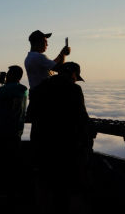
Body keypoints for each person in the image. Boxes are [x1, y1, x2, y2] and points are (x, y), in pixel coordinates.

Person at [27, 62, 92, 212]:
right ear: (72, 74)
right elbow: (82, 118)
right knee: (66, 189)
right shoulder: (74, 89)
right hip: (66, 147)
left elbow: (30, 114)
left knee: (45, 186)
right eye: (76, 77)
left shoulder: (40, 88)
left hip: (41, 145)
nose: (76, 80)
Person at [0, 65, 28, 199]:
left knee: (1, 164)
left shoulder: (8, 89)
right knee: (13, 164)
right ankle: (13, 193)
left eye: (9, 73)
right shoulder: (23, 89)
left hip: (3, 132)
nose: (6, 75)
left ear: (13, 75)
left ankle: (1, 193)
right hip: (16, 132)